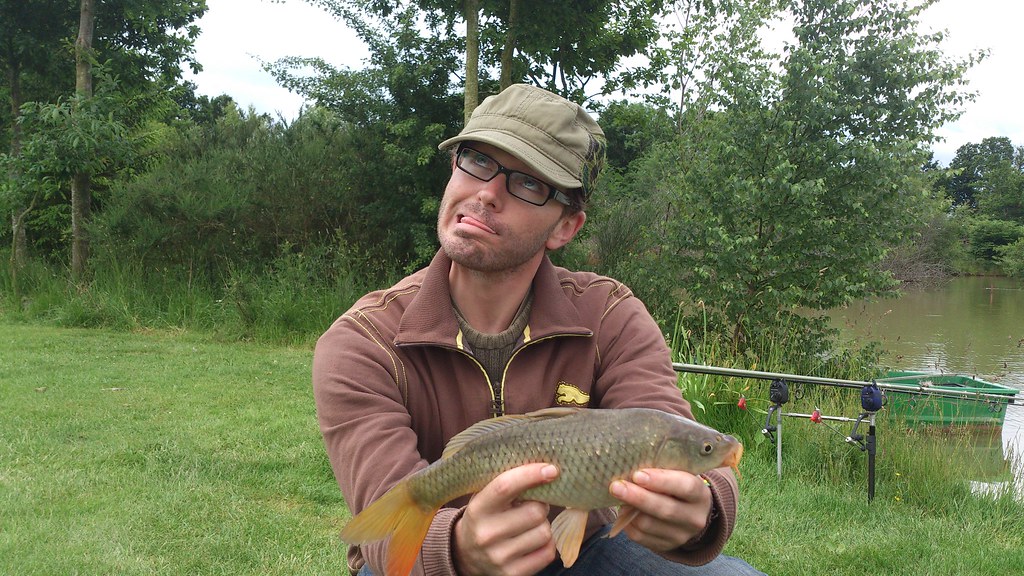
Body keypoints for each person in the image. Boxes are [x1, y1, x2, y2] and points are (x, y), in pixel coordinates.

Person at [312, 83, 763, 576]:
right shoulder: (362, 341)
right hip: (433, 559)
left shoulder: (610, 314)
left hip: (584, 549)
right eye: (477, 160)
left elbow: (665, 422)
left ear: (565, 227)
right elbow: (386, 518)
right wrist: (459, 549)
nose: (487, 192)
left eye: (528, 183)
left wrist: (702, 508)